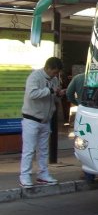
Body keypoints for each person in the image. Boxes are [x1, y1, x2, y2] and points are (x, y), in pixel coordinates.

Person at [19, 56, 65, 187]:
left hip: (45, 120)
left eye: (57, 73)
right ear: (48, 67)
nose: (56, 75)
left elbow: (52, 96)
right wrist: (50, 90)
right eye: (54, 72)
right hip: (31, 119)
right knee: (29, 150)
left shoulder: (54, 80)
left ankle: (43, 174)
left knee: (43, 150)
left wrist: (58, 94)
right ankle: (25, 175)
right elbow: (31, 94)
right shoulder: (35, 77)